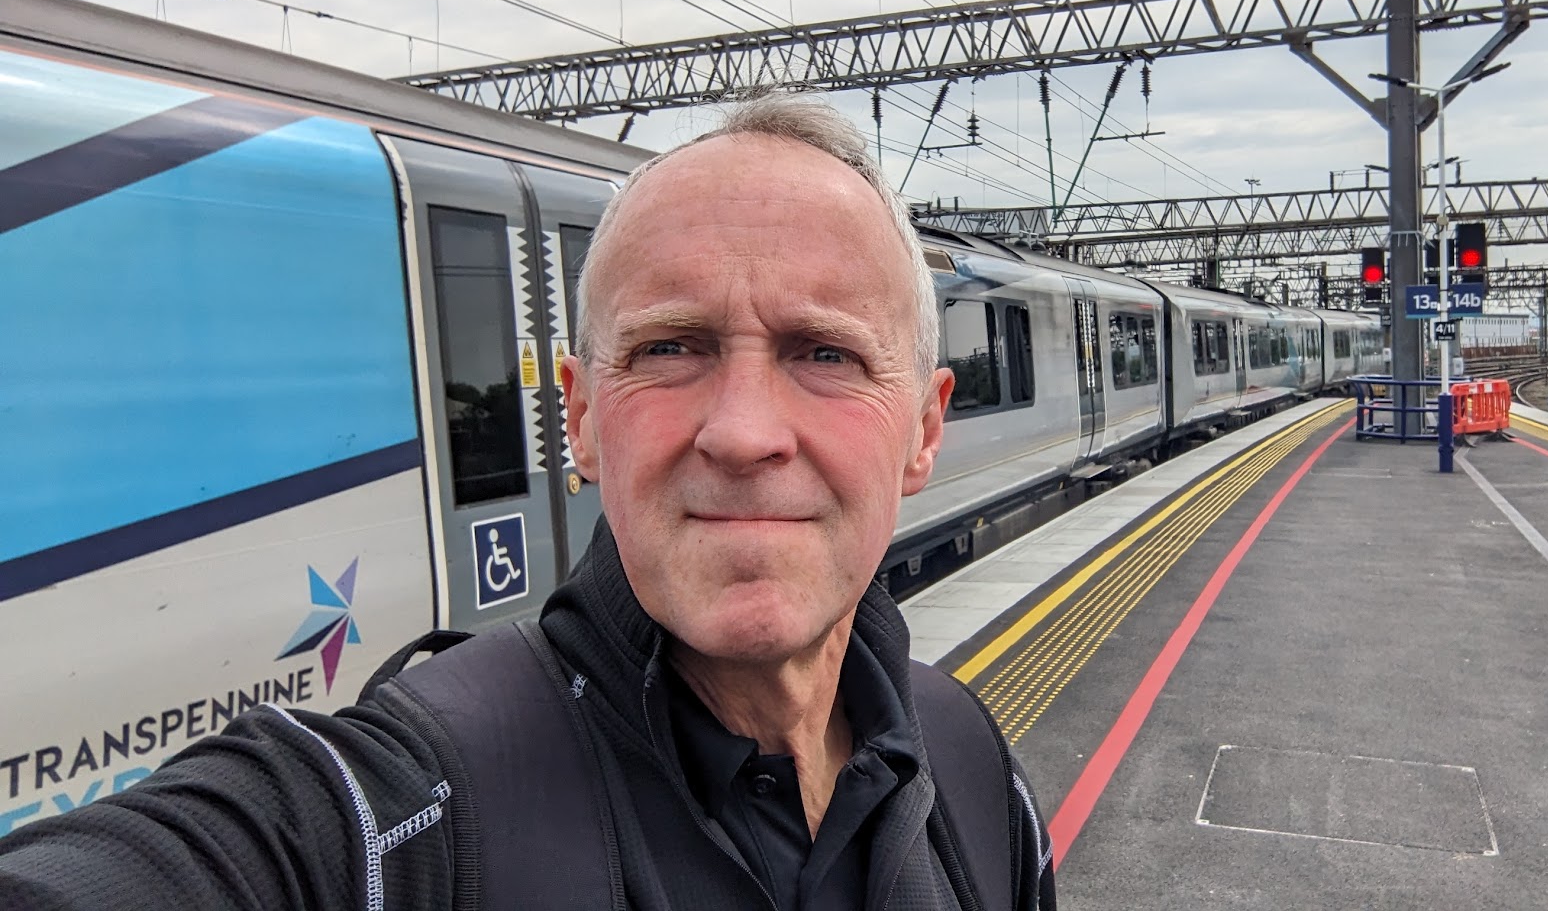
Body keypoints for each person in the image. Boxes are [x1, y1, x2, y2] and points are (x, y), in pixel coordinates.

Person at [0, 93, 1056, 910]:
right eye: (669, 348)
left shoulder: (972, 768)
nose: (741, 431)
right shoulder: (401, 817)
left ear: (922, 429)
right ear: (584, 418)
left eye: (823, 352)